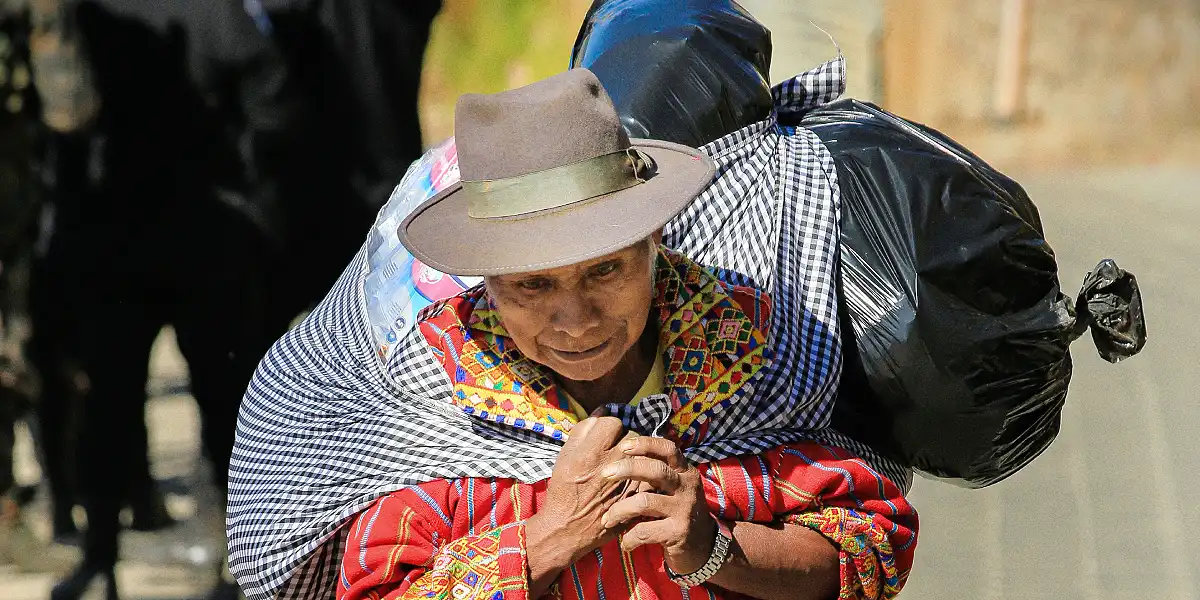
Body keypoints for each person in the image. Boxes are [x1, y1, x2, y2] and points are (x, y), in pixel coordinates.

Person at [231, 70, 916, 600]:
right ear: (485, 280)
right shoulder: (431, 408)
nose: (577, 319)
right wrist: (547, 538)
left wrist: (714, 545)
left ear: (653, 239)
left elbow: (865, 547)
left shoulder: (749, 349)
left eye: (606, 269)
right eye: (531, 285)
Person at [43, 0, 298, 598]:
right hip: (171, 243)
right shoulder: (203, 13)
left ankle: (106, 555)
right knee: (214, 411)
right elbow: (274, 103)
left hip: (148, 243)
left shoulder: (100, 15)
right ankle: (221, 559)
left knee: (129, 407)